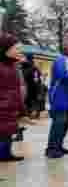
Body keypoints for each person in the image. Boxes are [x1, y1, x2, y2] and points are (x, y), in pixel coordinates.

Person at [1, 34, 26, 170]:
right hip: (3, 108)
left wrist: (22, 110)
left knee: (8, 133)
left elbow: (16, 89)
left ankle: (6, 154)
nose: (19, 52)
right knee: (3, 134)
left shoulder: (12, 66)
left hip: (10, 107)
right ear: (6, 49)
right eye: (16, 49)